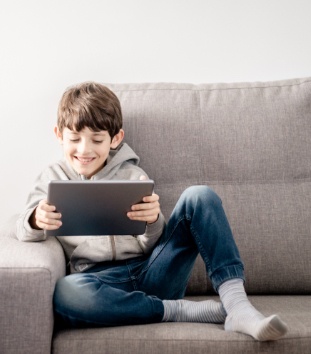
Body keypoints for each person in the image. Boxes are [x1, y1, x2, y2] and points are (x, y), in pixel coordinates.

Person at [16, 82, 288, 341]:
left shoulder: (132, 175)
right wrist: (35, 220)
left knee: (200, 195)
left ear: (115, 139)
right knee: (66, 293)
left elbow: (151, 243)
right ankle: (176, 310)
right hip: (97, 280)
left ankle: (238, 306)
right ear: (59, 135)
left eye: (96, 140)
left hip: (151, 270)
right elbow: (21, 229)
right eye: (74, 138)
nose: (84, 150)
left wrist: (153, 222)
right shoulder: (52, 177)